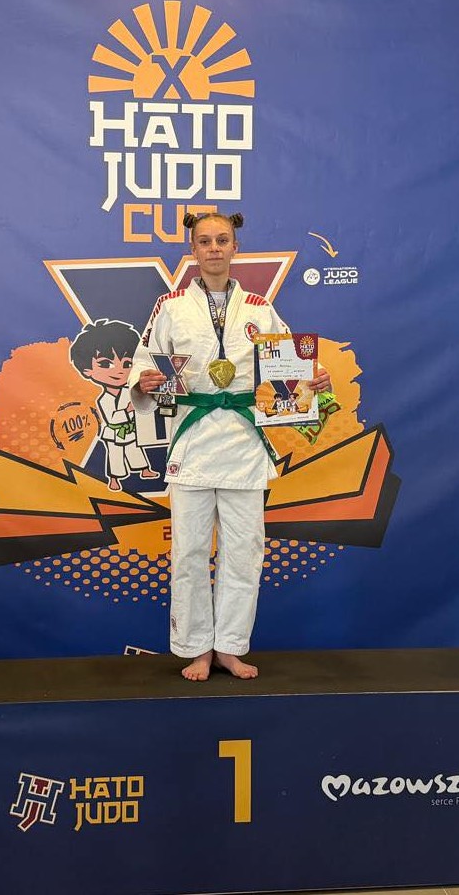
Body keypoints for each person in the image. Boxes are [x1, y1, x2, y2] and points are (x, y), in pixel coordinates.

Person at [129, 212, 330, 681]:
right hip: (193, 440)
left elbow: (286, 368)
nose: (214, 248)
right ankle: (197, 648)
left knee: (244, 551)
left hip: (243, 443)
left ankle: (230, 646)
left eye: (222, 240)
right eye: (204, 241)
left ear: (236, 247)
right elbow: (144, 362)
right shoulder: (170, 306)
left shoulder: (259, 308)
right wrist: (145, 380)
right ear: (193, 250)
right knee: (189, 552)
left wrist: (313, 380)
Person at [68, 318, 160, 491]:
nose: (118, 370)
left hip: (130, 430)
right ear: (87, 371)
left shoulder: (131, 390)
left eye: (127, 364)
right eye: (105, 364)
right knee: (115, 455)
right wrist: (128, 410)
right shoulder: (104, 399)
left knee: (135, 449)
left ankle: (145, 470)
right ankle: (114, 479)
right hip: (113, 432)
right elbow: (112, 419)